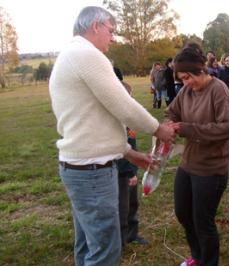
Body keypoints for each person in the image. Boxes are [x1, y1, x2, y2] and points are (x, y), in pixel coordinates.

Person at [49, 6, 175, 265]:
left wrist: (128, 153)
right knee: (105, 251)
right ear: (95, 26)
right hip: (92, 173)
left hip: (82, 168)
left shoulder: (73, 54)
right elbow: (122, 104)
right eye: (111, 30)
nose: (113, 37)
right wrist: (158, 129)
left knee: (88, 247)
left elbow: (93, 121)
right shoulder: (86, 54)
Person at [165, 46, 229, 266]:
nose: (186, 82)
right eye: (181, 79)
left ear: (201, 70)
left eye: (188, 77)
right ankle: (197, 257)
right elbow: (171, 111)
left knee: (202, 221)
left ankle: (208, 261)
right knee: (183, 214)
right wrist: (167, 125)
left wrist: (188, 129)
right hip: (188, 163)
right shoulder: (186, 91)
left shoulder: (218, 89)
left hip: (210, 168)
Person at [114, 76, 148, 247]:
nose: (131, 101)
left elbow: (131, 145)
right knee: (122, 207)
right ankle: (120, 242)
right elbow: (121, 150)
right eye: (128, 97)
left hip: (130, 168)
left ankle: (132, 234)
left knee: (132, 203)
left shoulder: (128, 119)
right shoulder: (116, 121)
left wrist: (133, 170)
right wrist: (129, 173)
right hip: (121, 171)